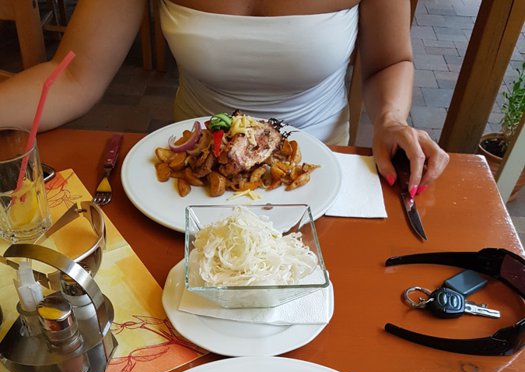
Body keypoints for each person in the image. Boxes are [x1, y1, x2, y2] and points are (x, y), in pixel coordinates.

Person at [0, 0, 449, 195]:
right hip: (192, 183)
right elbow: (73, 76)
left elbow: (389, 61)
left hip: (312, 177)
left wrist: (391, 119)